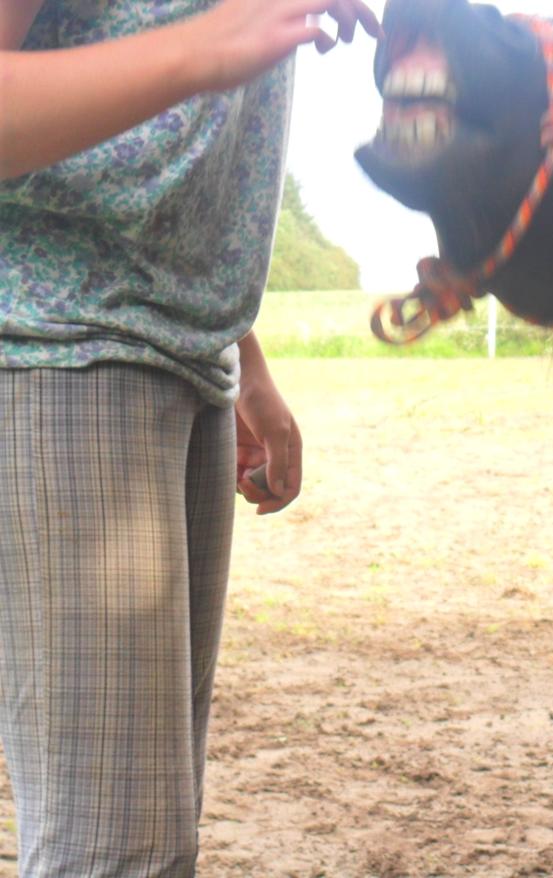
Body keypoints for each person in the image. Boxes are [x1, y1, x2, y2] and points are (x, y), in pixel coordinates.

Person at [0, 0, 379, 873]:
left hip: (177, 356)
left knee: (147, 832)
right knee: (114, 849)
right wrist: (204, 46)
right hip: (58, 345)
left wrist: (244, 358)